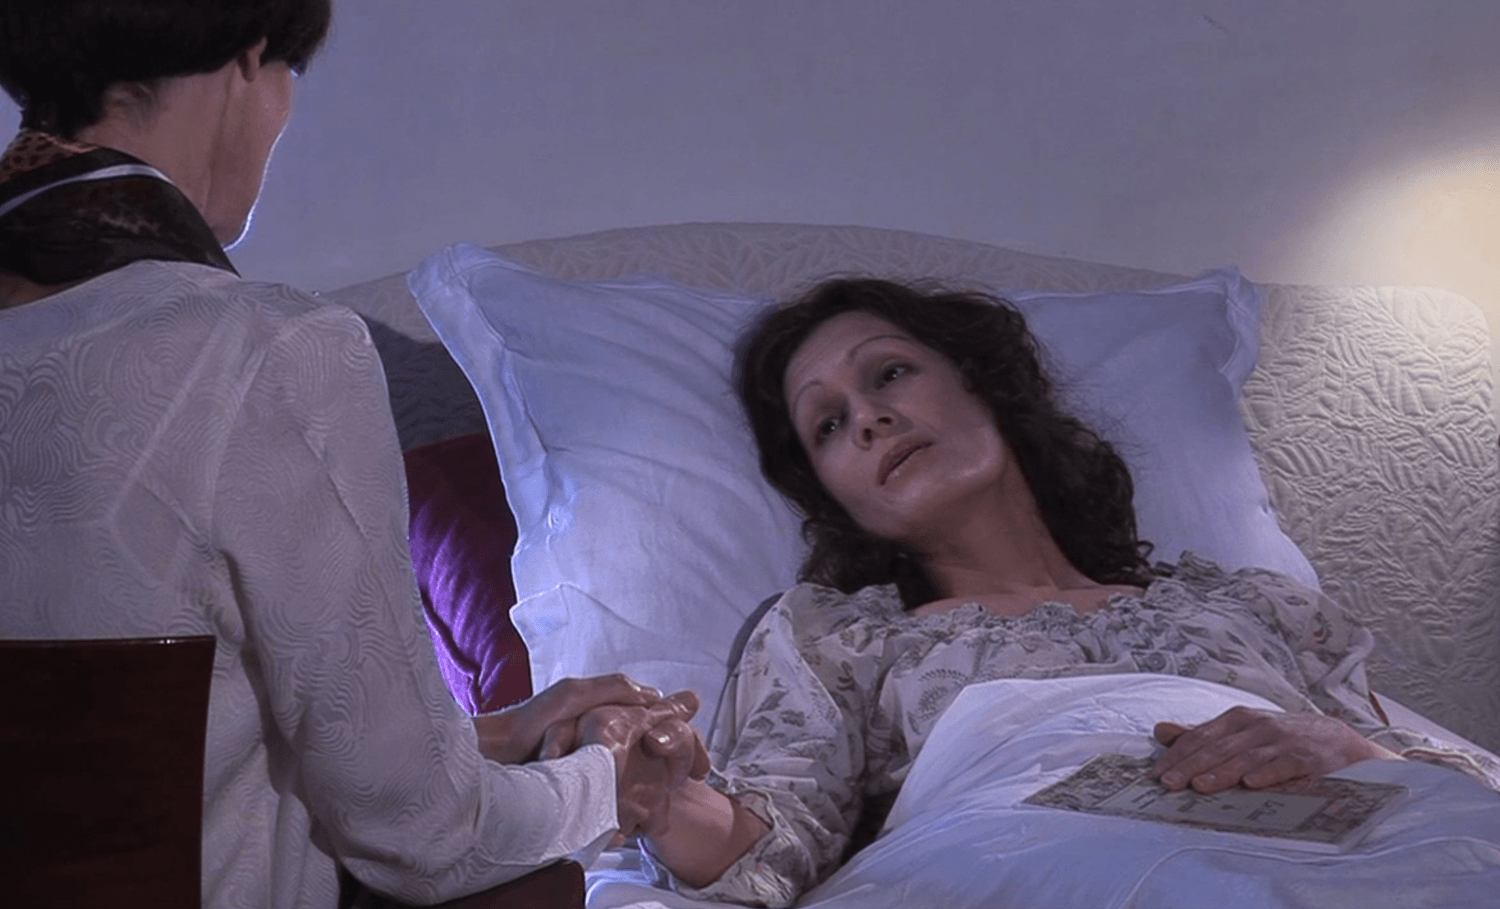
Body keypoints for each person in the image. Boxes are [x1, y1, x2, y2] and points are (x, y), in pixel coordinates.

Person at [0, 3, 702, 907]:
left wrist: (492, 735)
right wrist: (609, 784)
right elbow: (422, 834)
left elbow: (135, 747)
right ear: (249, 61)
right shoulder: (266, 351)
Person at [627, 277, 1500, 907]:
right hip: (1033, 860)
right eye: (827, 423)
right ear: (833, 494)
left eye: (888, 373)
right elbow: (770, 848)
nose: (867, 417)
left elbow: (1456, 782)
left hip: (1347, 843)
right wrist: (658, 796)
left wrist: (1344, 742)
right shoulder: (836, 636)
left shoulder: (1256, 606)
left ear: (981, 381)